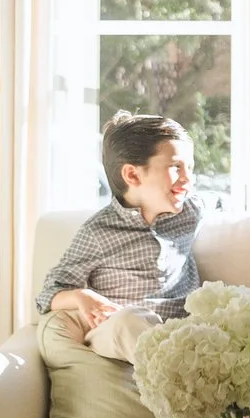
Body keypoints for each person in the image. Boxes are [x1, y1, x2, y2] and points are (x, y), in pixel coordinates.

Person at [36, 112, 201, 363]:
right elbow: (48, 293)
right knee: (128, 322)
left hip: (180, 332)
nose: (188, 179)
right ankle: (174, 375)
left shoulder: (191, 211)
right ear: (132, 176)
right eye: (176, 167)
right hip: (119, 333)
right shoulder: (98, 233)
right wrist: (83, 297)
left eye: (190, 167)